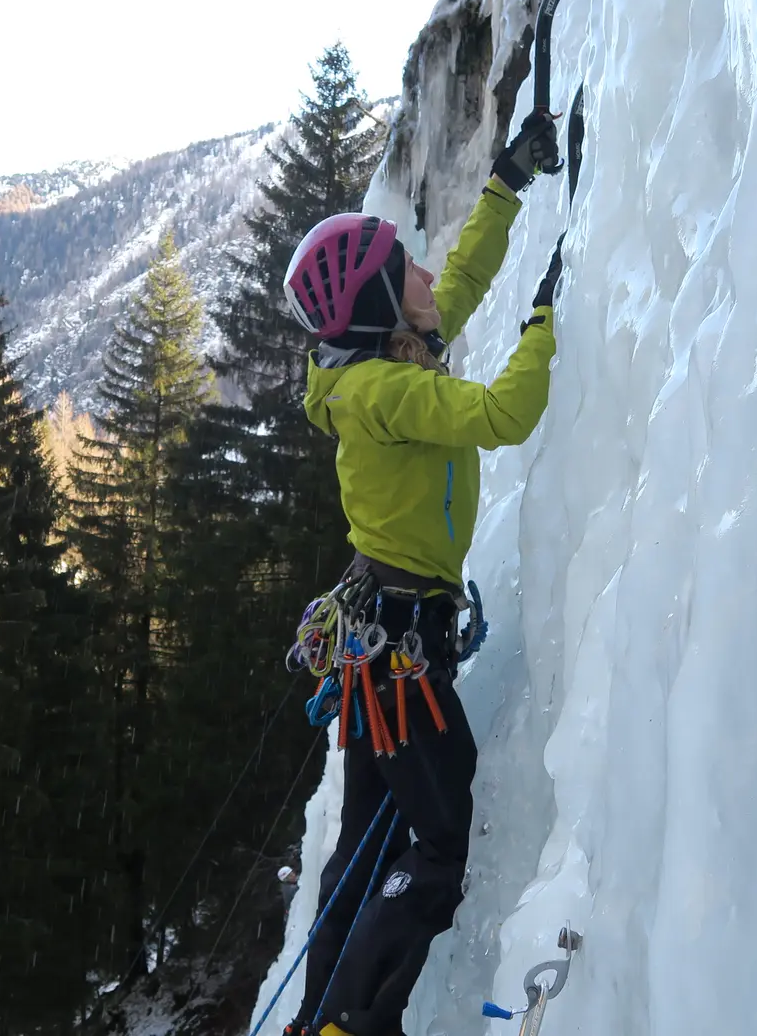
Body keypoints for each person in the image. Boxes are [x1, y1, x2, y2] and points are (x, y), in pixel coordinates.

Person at [278, 108, 565, 1036]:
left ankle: (320, 1014)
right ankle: (352, 1024)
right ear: (378, 310)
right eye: (408, 271)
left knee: (363, 844)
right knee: (435, 845)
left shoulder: (384, 361)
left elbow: (462, 281)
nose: (429, 276)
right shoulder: (391, 394)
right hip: (401, 651)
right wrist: (546, 323)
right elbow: (506, 413)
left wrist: (507, 186)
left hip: (383, 645)